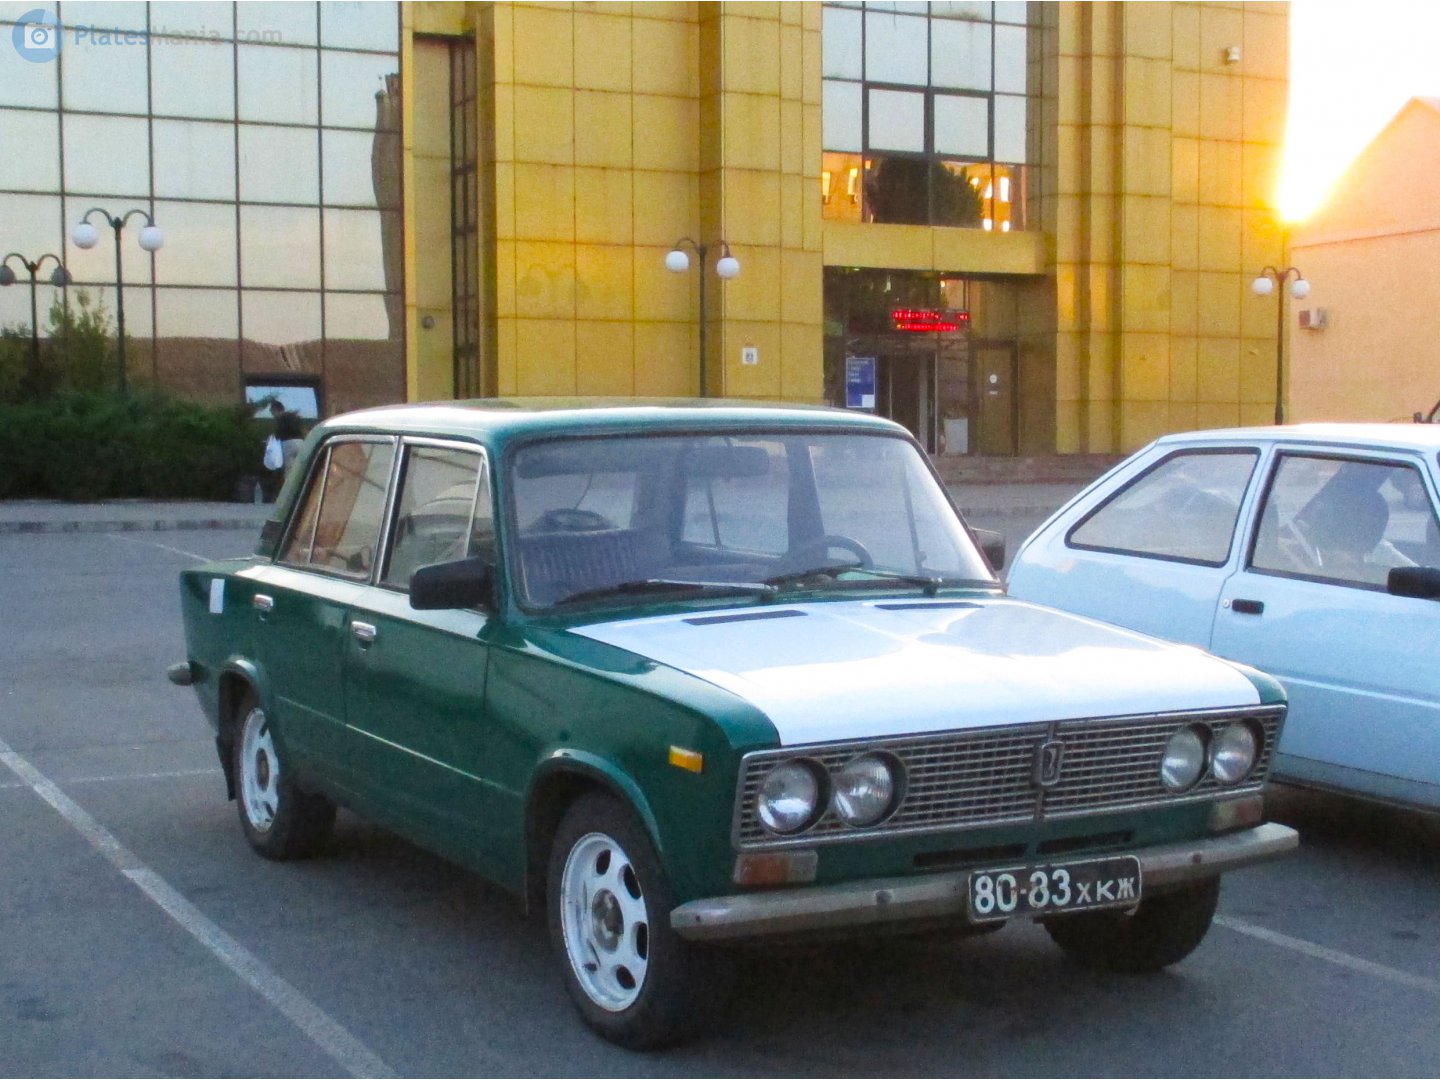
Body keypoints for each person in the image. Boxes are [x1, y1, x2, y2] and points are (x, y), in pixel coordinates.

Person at [269, 400, 305, 477]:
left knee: (289, 471)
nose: (273, 415)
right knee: (301, 468)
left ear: (275, 410)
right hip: (301, 442)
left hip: (288, 444)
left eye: (272, 412)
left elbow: (279, 433)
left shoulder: (280, 418)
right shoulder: (293, 417)